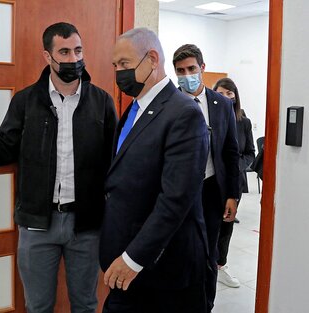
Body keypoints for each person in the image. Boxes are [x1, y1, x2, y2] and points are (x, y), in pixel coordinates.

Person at [0, 22, 117, 313]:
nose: (73, 59)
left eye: (78, 50)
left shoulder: (102, 101)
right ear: (47, 56)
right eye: (63, 52)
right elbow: (2, 149)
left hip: (86, 224)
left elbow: (114, 160)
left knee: (86, 304)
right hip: (37, 223)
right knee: (38, 306)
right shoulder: (26, 101)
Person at [99, 28, 209, 313]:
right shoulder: (133, 110)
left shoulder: (183, 113)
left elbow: (175, 199)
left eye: (124, 64)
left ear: (152, 59)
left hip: (161, 268)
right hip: (127, 262)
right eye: (115, 66)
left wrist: (133, 258)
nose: (118, 72)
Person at [172, 44, 240, 312]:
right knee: (179, 250)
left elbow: (231, 152)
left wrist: (232, 195)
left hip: (211, 189)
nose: (186, 75)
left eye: (191, 68)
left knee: (208, 253)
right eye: (180, 71)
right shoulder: (168, 104)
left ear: (202, 68)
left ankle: (205, 304)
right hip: (178, 191)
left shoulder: (221, 104)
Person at [213, 77, 255, 288]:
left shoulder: (243, 122)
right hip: (211, 181)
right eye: (221, 93)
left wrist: (236, 165)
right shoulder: (208, 119)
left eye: (230, 94)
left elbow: (250, 153)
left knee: (226, 226)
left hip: (234, 181)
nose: (226, 97)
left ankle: (221, 265)